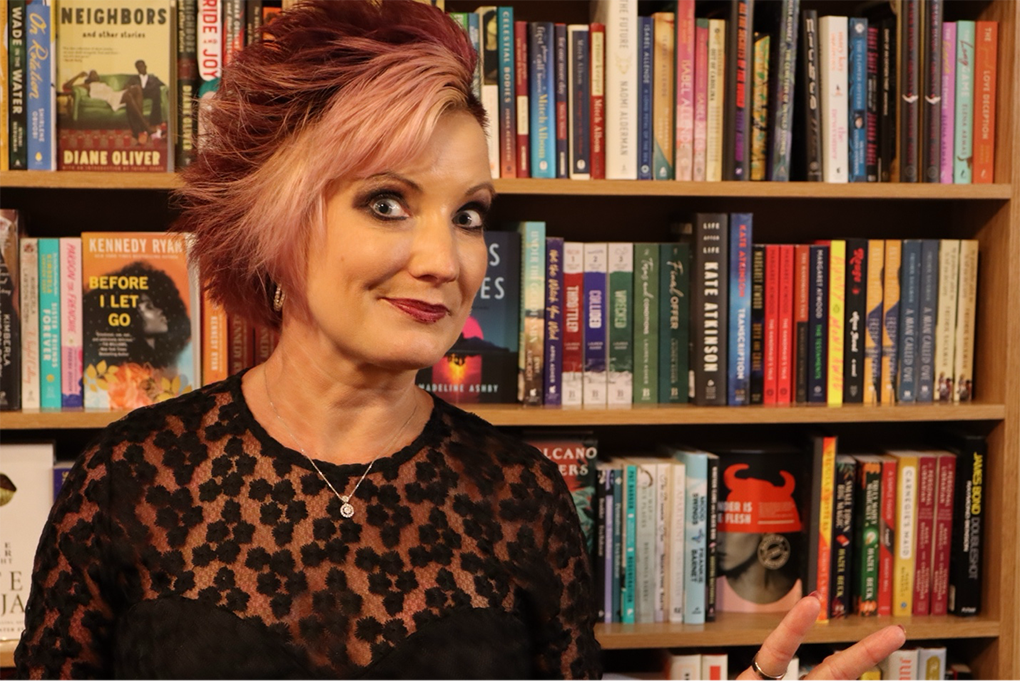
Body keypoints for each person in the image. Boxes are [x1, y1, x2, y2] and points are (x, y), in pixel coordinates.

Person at [16, 0, 905, 679]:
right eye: (388, 202)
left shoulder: (523, 498)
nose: (448, 260)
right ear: (278, 226)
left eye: (472, 214)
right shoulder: (124, 483)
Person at [61, 68, 159, 143]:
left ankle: (141, 129)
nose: (95, 74)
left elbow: (114, 92)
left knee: (137, 88)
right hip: (111, 98)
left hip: (115, 94)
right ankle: (146, 127)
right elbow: (67, 86)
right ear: (89, 78)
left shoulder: (102, 83)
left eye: (96, 73)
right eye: (92, 73)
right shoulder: (87, 86)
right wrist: (79, 75)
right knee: (129, 95)